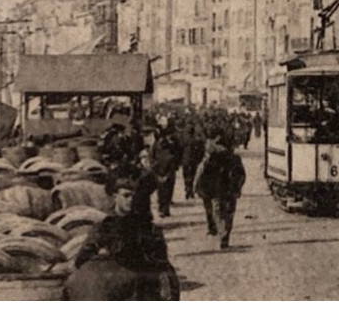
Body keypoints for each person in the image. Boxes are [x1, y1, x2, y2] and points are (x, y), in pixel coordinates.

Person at [64, 172, 180, 300]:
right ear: (115, 196)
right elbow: (82, 258)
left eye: (134, 196)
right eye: (126, 195)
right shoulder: (104, 227)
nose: (130, 200)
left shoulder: (145, 226)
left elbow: (162, 263)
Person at [194, 135, 247, 249]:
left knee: (218, 213)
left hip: (216, 191)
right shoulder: (235, 158)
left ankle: (223, 234)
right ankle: (225, 235)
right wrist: (238, 188)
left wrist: (197, 187)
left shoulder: (211, 157)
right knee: (229, 214)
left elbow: (201, 173)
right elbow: (242, 175)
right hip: (231, 191)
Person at [150, 128, 182, 218]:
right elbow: (151, 159)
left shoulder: (162, 145)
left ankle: (164, 209)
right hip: (161, 171)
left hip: (166, 171)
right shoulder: (156, 145)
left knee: (166, 191)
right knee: (163, 191)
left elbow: (174, 157)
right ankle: (163, 209)